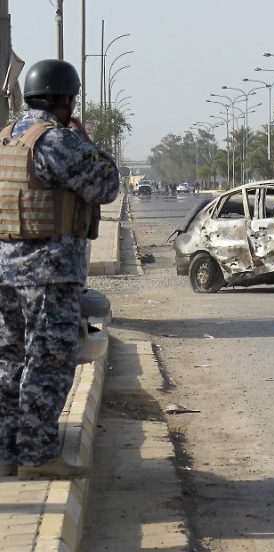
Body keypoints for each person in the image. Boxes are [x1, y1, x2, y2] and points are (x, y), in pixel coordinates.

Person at [0, 59, 119, 478]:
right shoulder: (56, 142)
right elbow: (106, 185)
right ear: (65, 99)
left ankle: (5, 455)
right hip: (48, 272)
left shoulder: (6, 139)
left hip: (6, 272)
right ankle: (37, 458)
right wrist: (88, 142)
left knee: (8, 362)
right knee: (47, 362)